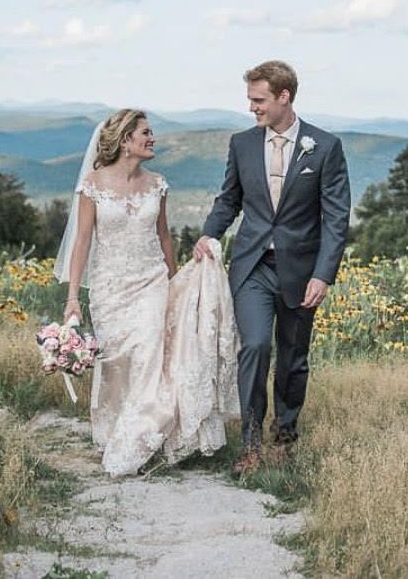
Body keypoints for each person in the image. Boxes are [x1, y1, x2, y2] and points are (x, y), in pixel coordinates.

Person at [54, 109, 238, 476]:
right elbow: (82, 242)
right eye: (146, 133)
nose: (152, 138)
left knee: (150, 358)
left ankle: (141, 442)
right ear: (125, 141)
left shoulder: (158, 183)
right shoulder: (92, 184)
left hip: (152, 283)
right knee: (116, 364)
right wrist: (73, 298)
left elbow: (164, 237)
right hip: (110, 288)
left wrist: (174, 283)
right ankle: (115, 431)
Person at [194, 60, 350, 475]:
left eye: (258, 99)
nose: (252, 108)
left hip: (302, 271)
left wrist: (323, 274)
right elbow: (229, 199)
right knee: (256, 346)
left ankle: (285, 434)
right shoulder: (241, 144)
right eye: (250, 99)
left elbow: (336, 218)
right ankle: (250, 443)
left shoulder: (326, 147)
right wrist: (209, 235)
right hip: (252, 266)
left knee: (294, 357)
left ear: (284, 97)